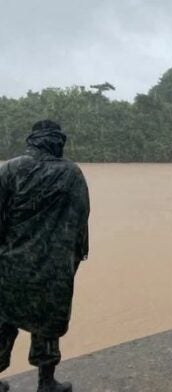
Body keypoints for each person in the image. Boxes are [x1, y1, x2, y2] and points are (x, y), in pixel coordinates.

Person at [0, 120, 90, 392]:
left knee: (4, 322)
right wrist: (75, 259)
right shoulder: (72, 174)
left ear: (32, 140)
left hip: (10, 265)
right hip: (54, 268)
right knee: (48, 325)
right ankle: (46, 382)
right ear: (57, 141)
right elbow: (80, 223)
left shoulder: (10, 169)